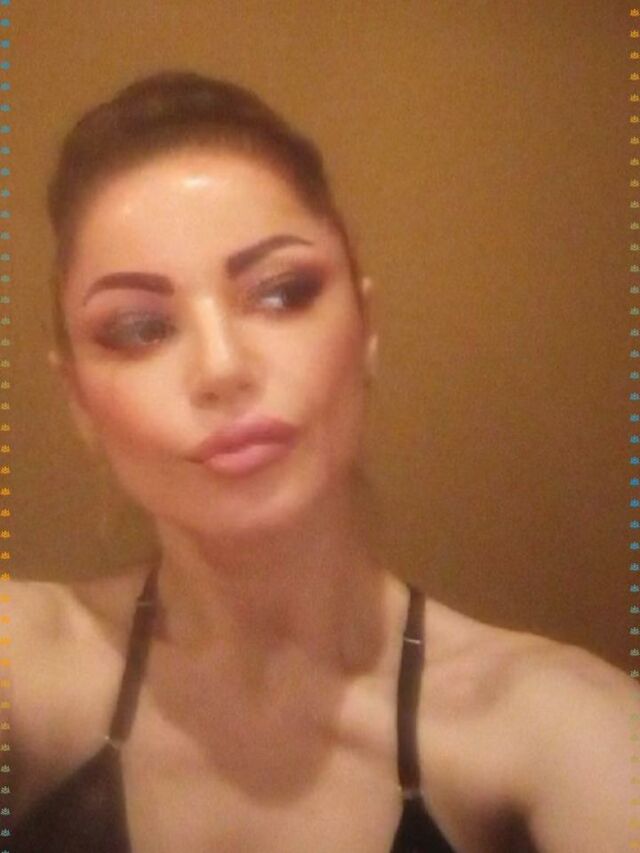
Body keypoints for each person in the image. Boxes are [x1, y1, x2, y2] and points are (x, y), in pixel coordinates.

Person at [10, 70, 636, 852]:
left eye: (281, 292)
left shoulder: (561, 733)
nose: (221, 367)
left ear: (365, 325)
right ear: (77, 398)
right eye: (140, 328)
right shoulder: (26, 666)